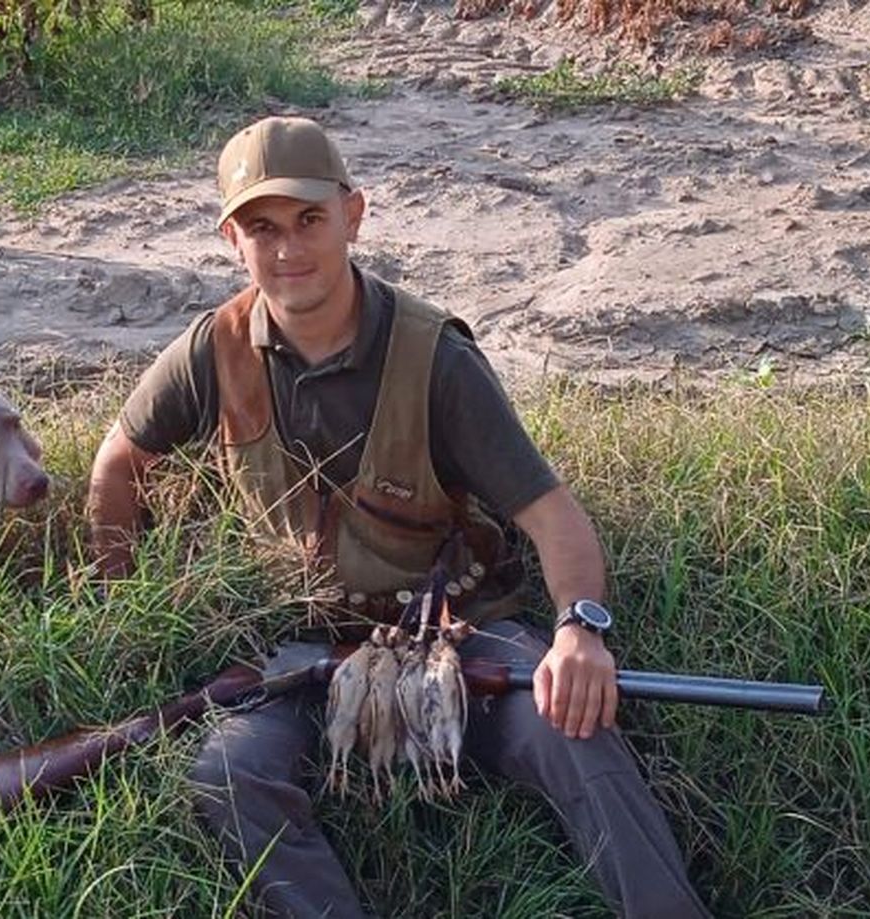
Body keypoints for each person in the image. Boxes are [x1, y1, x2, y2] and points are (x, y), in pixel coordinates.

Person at [87, 115, 711, 919]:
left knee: (573, 733)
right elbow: (117, 464)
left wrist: (580, 631)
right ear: (231, 240)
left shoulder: (435, 357)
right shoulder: (215, 347)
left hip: (456, 633)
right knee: (229, 772)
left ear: (354, 214)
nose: (288, 250)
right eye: (261, 228)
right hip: (303, 646)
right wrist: (122, 606)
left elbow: (553, 516)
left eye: (309, 219)